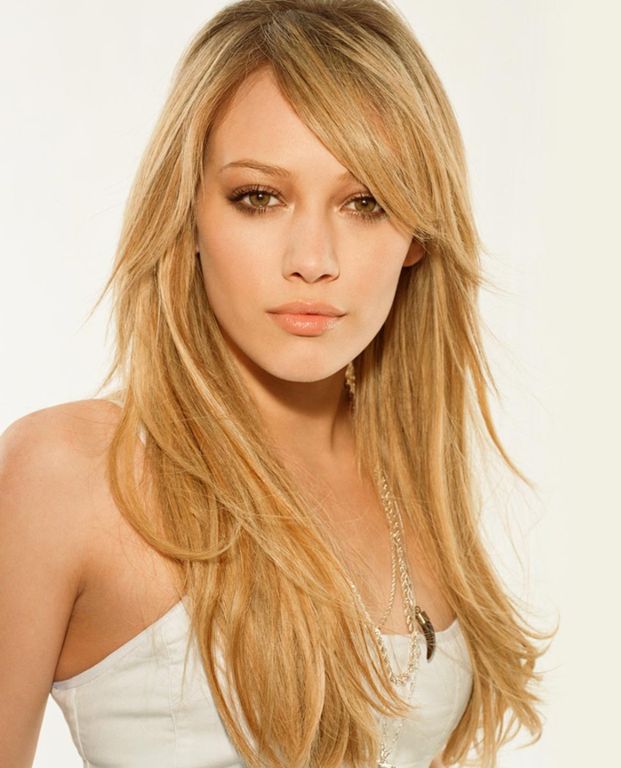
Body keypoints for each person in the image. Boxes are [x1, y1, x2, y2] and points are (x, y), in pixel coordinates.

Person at [0, 1, 555, 766]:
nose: (313, 259)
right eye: (259, 197)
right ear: (188, 210)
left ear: (418, 235)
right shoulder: (69, 473)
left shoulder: (414, 477)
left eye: (365, 202)